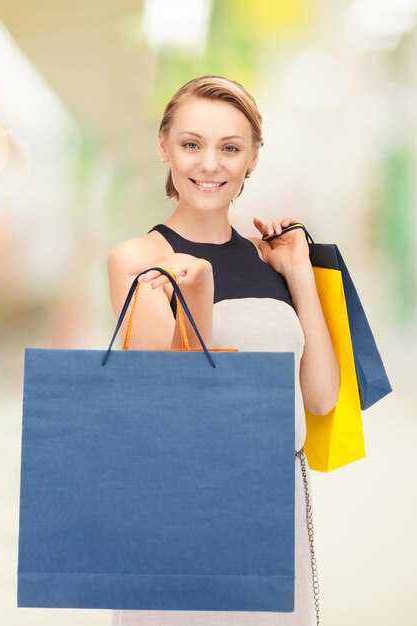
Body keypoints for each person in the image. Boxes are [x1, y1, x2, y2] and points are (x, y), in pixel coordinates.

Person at [107, 75, 340, 626]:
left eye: (230, 148)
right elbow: (160, 404)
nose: (210, 164)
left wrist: (299, 274)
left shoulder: (272, 261)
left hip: (271, 504)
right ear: (163, 146)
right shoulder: (140, 259)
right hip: (177, 505)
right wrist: (199, 295)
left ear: (252, 158)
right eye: (192, 144)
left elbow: (321, 399)